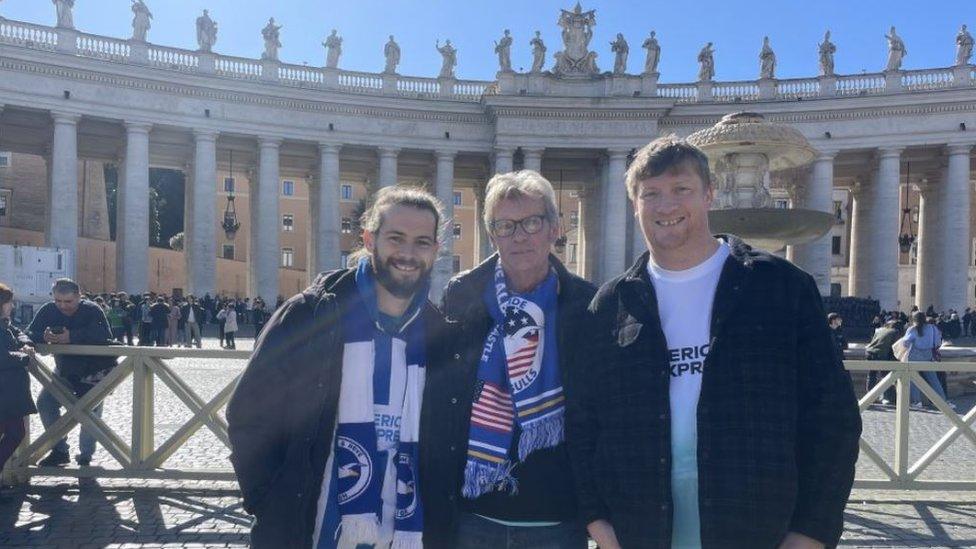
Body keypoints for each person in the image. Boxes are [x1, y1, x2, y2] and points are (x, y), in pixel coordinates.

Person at [568, 137, 862, 548]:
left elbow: (832, 417)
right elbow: (582, 422)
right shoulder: (612, 303)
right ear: (635, 204)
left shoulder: (781, 286)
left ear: (709, 194)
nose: (666, 206)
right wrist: (596, 520)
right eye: (650, 194)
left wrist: (812, 531)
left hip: (758, 529)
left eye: (681, 190)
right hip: (642, 531)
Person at [227, 186, 451, 548]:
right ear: (369, 238)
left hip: (404, 533)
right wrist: (270, 501)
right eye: (396, 238)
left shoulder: (440, 333)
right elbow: (249, 414)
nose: (408, 254)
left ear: (436, 251)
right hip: (310, 530)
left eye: (422, 242)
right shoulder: (309, 314)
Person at [422, 170, 596, 548]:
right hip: (474, 515)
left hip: (557, 517)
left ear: (554, 228)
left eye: (532, 222)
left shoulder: (587, 303)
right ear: (491, 235)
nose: (519, 236)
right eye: (505, 225)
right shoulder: (463, 295)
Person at [28, 278, 116, 467]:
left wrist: (72, 337)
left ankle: (86, 454)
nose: (62, 306)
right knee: (45, 403)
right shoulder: (48, 310)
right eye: (58, 301)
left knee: (89, 412)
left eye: (68, 302)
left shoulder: (92, 310)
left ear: (79, 296)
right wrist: (41, 337)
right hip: (65, 370)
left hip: (95, 371)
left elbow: (104, 336)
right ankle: (59, 450)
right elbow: (29, 332)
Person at [0, 282, 37, 495]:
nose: (12, 306)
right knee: (15, 432)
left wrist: (27, 344)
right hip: (4, 391)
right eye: (8, 302)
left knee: (10, 431)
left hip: (8, 390)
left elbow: (20, 333)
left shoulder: (5, 323)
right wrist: (24, 356)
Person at [898, 311, 952, 410]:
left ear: (914, 319)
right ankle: (942, 400)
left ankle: (917, 401)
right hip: (928, 356)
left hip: (914, 357)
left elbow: (905, 343)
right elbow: (937, 343)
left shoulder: (912, 329)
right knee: (934, 380)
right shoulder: (932, 328)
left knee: (913, 379)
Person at [865, 319, 902, 405]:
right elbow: (896, 347)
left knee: (871, 375)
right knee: (886, 376)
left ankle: (870, 397)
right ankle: (887, 397)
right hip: (881, 355)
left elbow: (873, 342)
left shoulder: (879, 330)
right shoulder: (895, 332)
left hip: (870, 352)